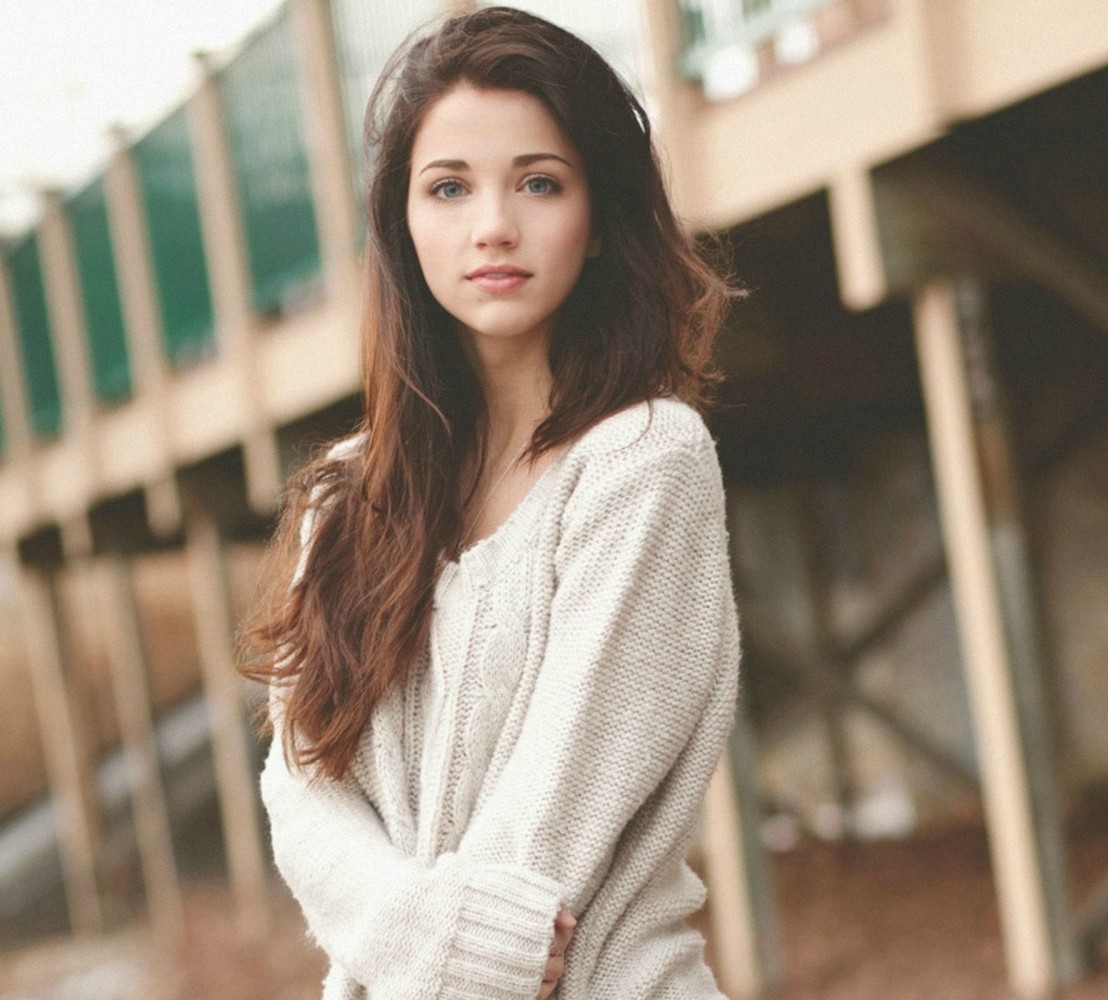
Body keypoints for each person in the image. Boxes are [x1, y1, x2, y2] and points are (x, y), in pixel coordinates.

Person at [242, 7, 741, 998]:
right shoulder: (348, 497)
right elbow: (301, 792)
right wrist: (408, 934)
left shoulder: (643, 463)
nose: (493, 227)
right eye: (449, 188)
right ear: (403, 224)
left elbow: (546, 832)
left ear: (598, 221)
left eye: (539, 182)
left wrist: (425, 954)